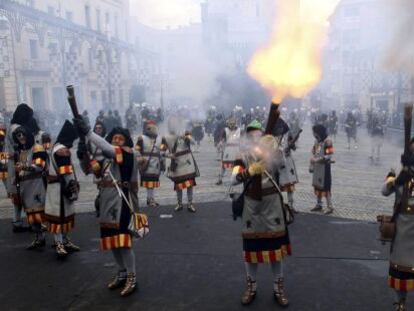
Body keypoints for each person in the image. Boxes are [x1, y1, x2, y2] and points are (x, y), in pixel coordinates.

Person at [75, 118, 140, 297]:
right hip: (106, 203)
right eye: (115, 138)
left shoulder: (127, 153)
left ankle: (132, 277)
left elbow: (107, 148)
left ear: (126, 141)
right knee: (112, 242)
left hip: (122, 203)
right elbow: (91, 170)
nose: (117, 141)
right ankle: (121, 273)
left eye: (121, 138)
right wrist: (82, 155)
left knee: (124, 243)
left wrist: (88, 132)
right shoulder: (109, 159)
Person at [231, 120, 291, 307]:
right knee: (251, 251)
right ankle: (252, 287)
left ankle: (278, 288)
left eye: (258, 133)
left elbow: (284, 169)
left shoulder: (273, 151)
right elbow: (233, 179)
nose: (255, 136)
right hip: (252, 206)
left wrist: (275, 148)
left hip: (272, 203)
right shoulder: (242, 155)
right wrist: (250, 170)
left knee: (276, 252)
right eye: (251, 134)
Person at [381, 143, 414, 311]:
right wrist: (394, 179)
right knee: (400, 267)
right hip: (402, 228)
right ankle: (399, 302)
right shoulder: (402, 176)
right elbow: (384, 191)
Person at [44, 120, 80, 259]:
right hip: (61, 188)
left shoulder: (56, 147)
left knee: (62, 216)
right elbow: (66, 172)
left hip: (56, 187)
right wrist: (72, 187)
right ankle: (60, 243)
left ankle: (64, 241)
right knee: (59, 217)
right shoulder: (63, 151)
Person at [9, 125, 48, 249]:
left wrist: (23, 168)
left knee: (39, 214)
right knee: (31, 216)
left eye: (22, 134)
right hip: (25, 188)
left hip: (37, 185)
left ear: (27, 134)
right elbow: (20, 170)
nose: (20, 137)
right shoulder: (21, 151)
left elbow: (39, 166)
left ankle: (60, 240)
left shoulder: (37, 148)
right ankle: (39, 238)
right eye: (18, 136)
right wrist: (16, 178)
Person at [165, 116, 200, 213]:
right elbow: (162, 151)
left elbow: (193, 142)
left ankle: (190, 203)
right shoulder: (167, 137)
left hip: (187, 162)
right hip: (176, 163)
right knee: (178, 185)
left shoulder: (185, 132)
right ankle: (179, 203)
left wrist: (186, 137)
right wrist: (169, 155)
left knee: (190, 184)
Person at [135, 120, 166, 207]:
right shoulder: (141, 138)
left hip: (156, 163)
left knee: (152, 182)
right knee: (149, 183)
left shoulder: (160, 138)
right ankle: (150, 199)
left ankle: (151, 199)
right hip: (146, 162)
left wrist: (162, 159)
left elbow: (163, 148)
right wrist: (140, 159)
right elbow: (137, 149)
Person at [310, 124, 334, 214]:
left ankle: (330, 206)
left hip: (324, 167)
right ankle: (319, 204)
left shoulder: (328, 141)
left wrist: (317, 159)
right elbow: (316, 152)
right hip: (317, 167)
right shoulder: (317, 141)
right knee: (317, 185)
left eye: (314, 132)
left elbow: (329, 155)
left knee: (326, 186)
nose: (313, 134)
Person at [216, 118, 240, 185]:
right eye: (230, 123)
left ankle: (234, 179)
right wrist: (220, 144)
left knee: (235, 165)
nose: (232, 125)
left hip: (236, 149)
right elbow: (222, 139)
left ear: (235, 123)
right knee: (223, 165)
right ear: (228, 124)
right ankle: (220, 179)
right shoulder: (225, 130)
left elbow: (242, 139)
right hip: (227, 150)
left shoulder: (239, 130)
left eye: (233, 123)